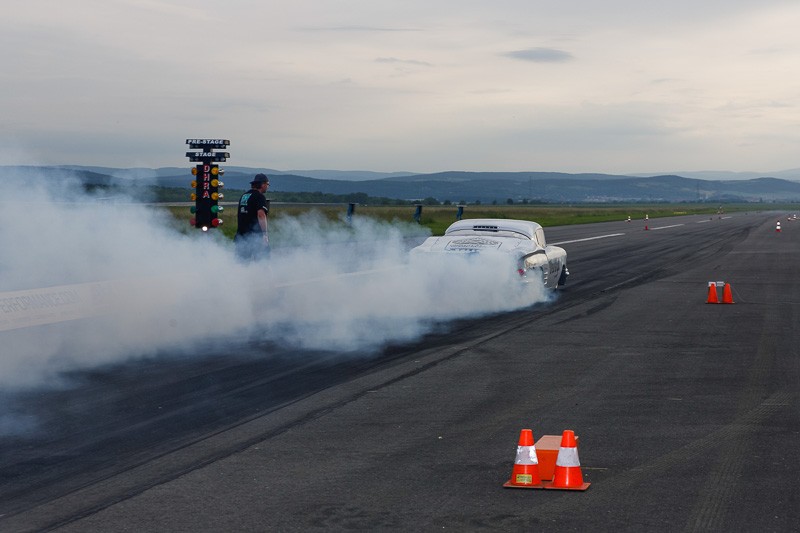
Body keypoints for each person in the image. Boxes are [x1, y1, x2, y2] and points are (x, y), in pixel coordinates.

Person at [234, 173, 271, 261]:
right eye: (267, 184)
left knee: (242, 264)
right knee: (263, 262)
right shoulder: (259, 196)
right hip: (255, 237)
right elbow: (261, 215)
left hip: (241, 236)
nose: (267, 186)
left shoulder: (244, 196)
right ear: (262, 184)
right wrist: (265, 234)